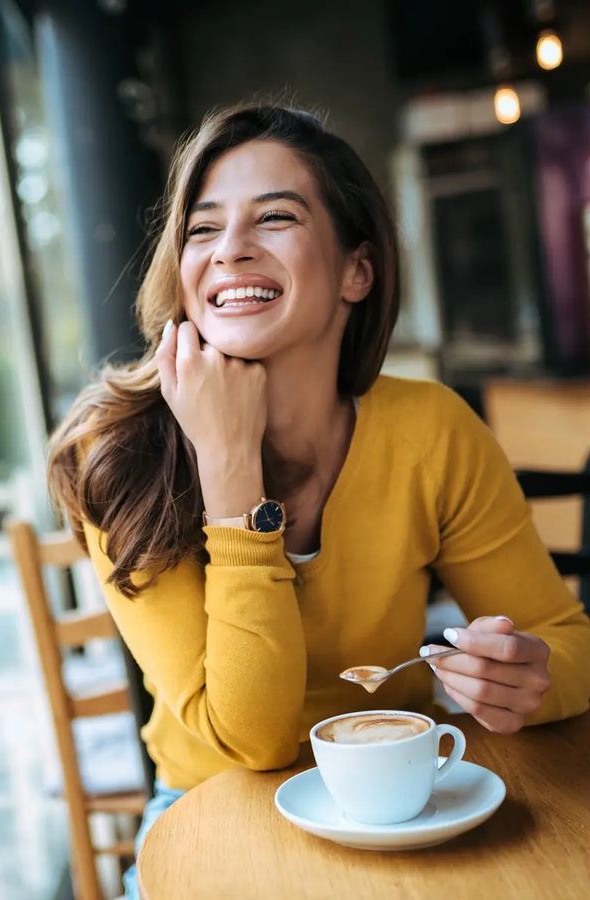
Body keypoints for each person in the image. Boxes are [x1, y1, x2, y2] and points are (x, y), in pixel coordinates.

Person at [46, 101, 590, 899]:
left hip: (404, 798)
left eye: (275, 217)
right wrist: (231, 468)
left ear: (356, 271)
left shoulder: (430, 429)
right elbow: (253, 741)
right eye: (201, 229)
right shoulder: (121, 453)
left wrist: (531, 678)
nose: (230, 249)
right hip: (209, 810)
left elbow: (567, 644)